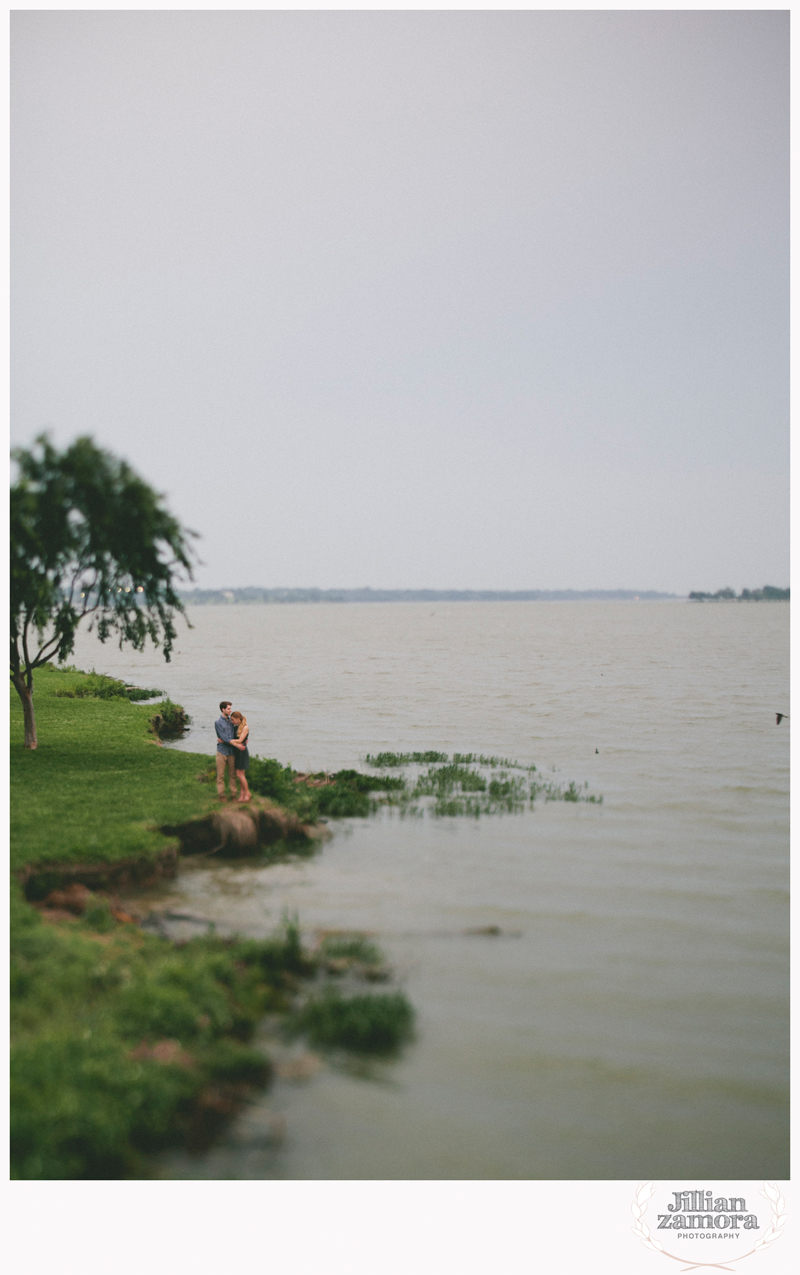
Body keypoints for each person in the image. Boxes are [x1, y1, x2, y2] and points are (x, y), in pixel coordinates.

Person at [214, 700, 238, 801]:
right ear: (223, 709)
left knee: (233, 774)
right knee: (220, 775)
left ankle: (233, 795)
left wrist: (243, 740)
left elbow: (236, 733)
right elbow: (224, 738)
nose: (230, 710)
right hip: (222, 751)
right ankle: (221, 795)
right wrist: (237, 743)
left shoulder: (232, 721)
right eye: (228, 709)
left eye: (230, 708)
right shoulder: (218, 722)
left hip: (231, 752)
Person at [229, 710, 251, 803]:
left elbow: (240, 740)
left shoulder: (245, 727)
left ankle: (247, 793)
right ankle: (242, 794)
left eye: (233, 720)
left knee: (240, 774)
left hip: (242, 751)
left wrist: (229, 741)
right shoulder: (236, 727)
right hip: (237, 752)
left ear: (238, 719)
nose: (232, 721)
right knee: (241, 774)